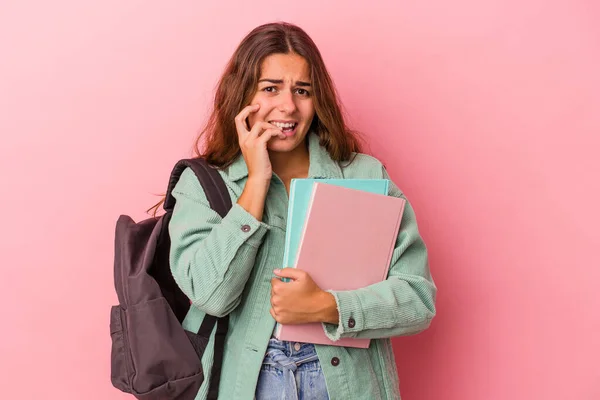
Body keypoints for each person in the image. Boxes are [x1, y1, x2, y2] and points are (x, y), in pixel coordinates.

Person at [166, 21, 437, 400]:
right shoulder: (203, 184)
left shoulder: (364, 174)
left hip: (346, 384)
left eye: (302, 90)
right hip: (249, 383)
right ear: (242, 94)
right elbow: (213, 296)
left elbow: (417, 300)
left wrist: (328, 306)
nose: (288, 106)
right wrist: (256, 182)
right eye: (270, 88)